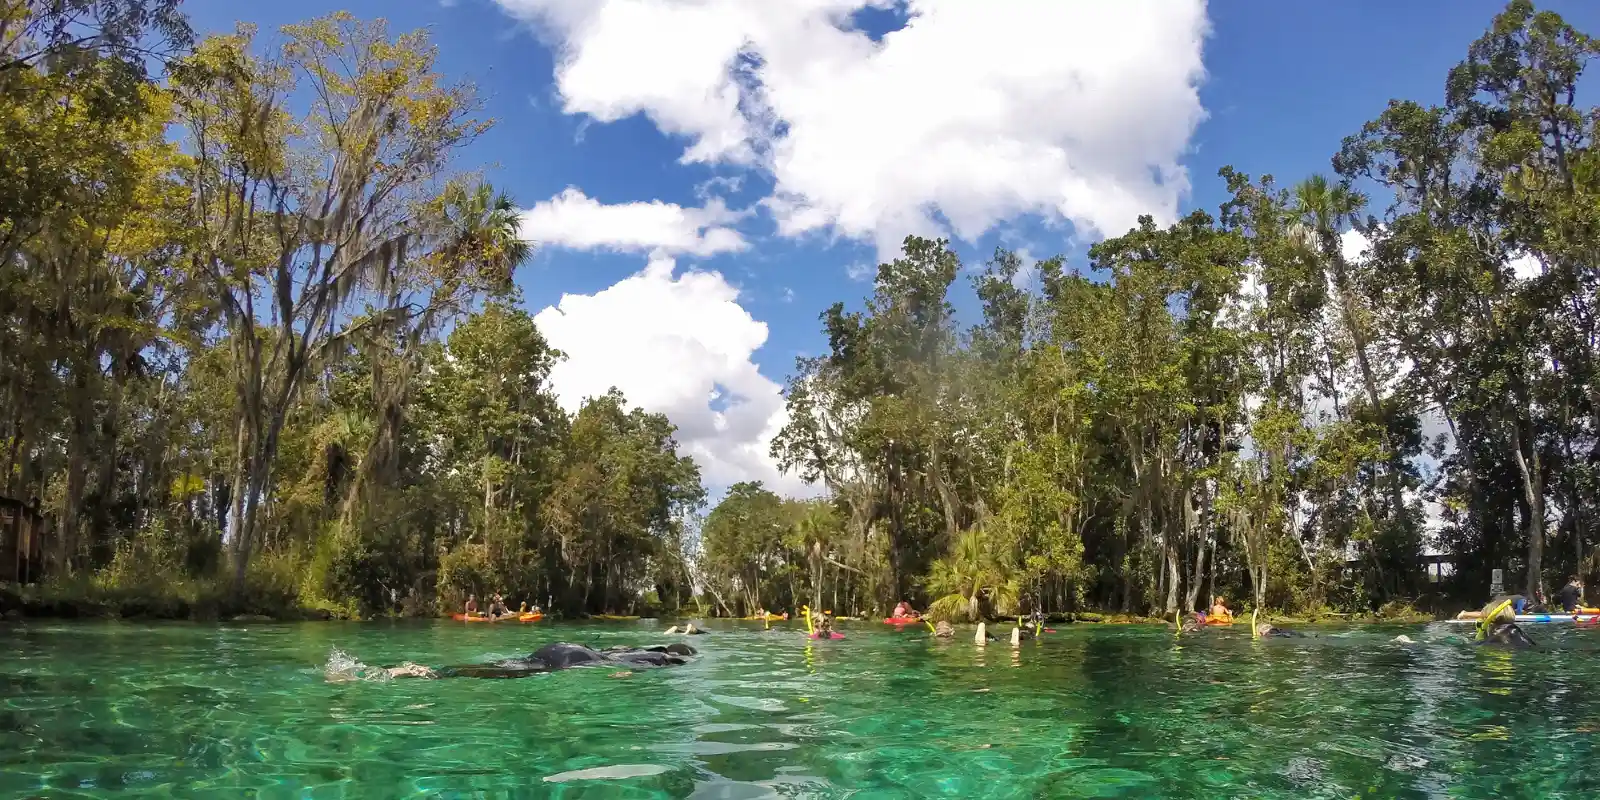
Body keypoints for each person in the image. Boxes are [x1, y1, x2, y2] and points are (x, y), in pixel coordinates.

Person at [341, 642, 700, 681]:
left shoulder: (634, 646)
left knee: (507, 666)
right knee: (496, 674)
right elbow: (639, 664)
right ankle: (420, 673)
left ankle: (399, 668)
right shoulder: (660, 658)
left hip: (558, 649)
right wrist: (625, 675)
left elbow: (619, 652)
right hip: (572, 660)